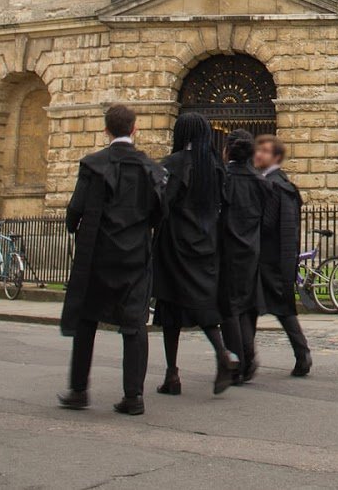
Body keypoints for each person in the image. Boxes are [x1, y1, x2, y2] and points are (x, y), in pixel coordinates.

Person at [59, 103, 168, 415]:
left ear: (106, 130)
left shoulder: (93, 164)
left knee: (86, 320)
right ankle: (133, 396)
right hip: (134, 253)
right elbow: (160, 212)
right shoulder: (150, 168)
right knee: (134, 325)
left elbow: (75, 209)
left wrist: (74, 227)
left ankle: (79, 391)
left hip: (97, 253)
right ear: (135, 129)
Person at [153, 113, 238, 396]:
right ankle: (175, 374)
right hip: (207, 242)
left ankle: (178, 370)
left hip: (176, 243)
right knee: (198, 302)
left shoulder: (174, 164)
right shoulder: (215, 166)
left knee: (171, 307)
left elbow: (162, 204)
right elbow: (225, 204)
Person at [253, 135, 312, 378]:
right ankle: (301, 354)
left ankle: (300, 354)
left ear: (276, 157)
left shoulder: (274, 184)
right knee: (280, 310)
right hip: (275, 258)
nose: (258, 154)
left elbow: (271, 224)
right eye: (258, 150)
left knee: (275, 309)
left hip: (270, 257)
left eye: (264, 151)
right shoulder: (279, 182)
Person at [218, 130, 264, 385]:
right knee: (247, 307)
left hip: (227, 251)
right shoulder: (262, 181)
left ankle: (238, 362)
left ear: (227, 150)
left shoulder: (224, 179)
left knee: (230, 309)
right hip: (252, 252)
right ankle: (247, 356)